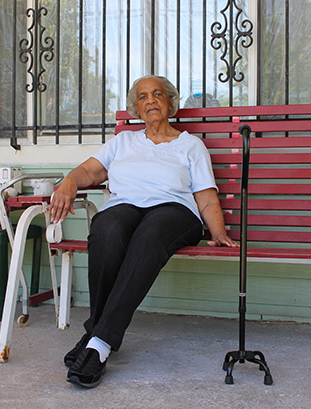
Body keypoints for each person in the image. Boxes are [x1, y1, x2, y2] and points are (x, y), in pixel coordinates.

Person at [49, 75, 238, 388]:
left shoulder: (191, 145)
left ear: (170, 102)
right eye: (143, 97)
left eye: (157, 94)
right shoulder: (124, 141)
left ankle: (97, 343)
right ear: (135, 107)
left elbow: (205, 195)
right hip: (126, 206)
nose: (151, 100)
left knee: (149, 234)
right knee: (106, 228)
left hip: (174, 213)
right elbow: (89, 171)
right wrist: (69, 182)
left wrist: (218, 231)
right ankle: (99, 334)